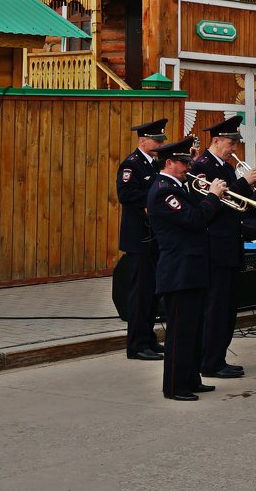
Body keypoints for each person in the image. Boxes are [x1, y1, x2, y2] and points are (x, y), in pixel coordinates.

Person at [146, 137, 226, 401]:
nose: (187, 166)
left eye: (188, 161)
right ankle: (174, 386)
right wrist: (213, 197)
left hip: (192, 267)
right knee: (180, 333)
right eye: (183, 162)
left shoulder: (180, 187)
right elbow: (194, 220)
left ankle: (191, 378)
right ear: (169, 163)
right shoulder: (163, 191)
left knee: (193, 329)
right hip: (179, 270)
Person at [191, 116, 256, 379]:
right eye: (231, 143)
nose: (234, 148)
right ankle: (209, 361)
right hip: (214, 246)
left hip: (231, 244)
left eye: (236, 143)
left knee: (228, 307)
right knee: (216, 308)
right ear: (217, 140)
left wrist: (251, 188)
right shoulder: (203, 167)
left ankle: (218, 356)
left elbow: (236, 202)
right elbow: (212, 205)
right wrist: (244, 183)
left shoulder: (226, 167)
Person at [116, 118, 167, 361]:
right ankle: (136, 345)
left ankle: (148, 338)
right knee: (139, 294)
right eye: (156, 141)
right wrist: (155, 194)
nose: (159, 145)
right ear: (143, 141)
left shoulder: (155, 165)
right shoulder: (132, 165)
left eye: (160, 141)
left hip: (153, 237)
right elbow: (126, 195)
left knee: (152, 293)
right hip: (138, 238)